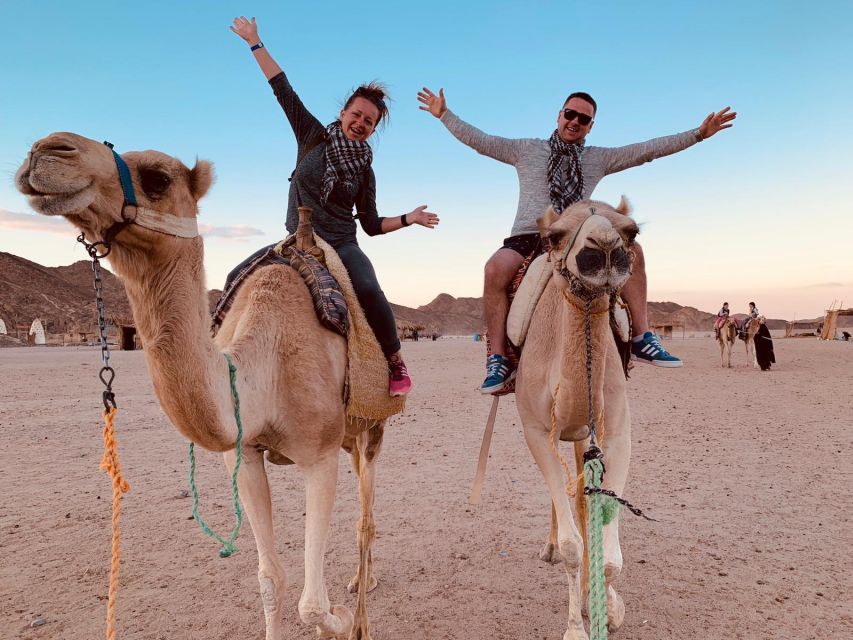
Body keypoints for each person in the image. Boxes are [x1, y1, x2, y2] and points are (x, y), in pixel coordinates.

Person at [418, 86, 736, 392]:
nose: (575, 121)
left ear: (590, 126)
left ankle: (642, 337)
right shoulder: (526, 149)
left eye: (583, 119)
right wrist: (445, 115)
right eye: (570, 114)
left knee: (633, 249)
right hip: (527, 237)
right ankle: (498, 359)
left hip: (574, 237)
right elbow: (481, 141)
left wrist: (698, 134)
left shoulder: (597, 159)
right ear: (559, 115)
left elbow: (646, 151)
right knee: (493, 269)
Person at [230, 16, 439, 396]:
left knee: (369, 289)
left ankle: (395, 362)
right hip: (296, 241)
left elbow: (371, 224)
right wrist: (254, 42)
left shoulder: (365, 171)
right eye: (356, 115)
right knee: (235, 277)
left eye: (369, 121)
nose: (360, 123)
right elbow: (282, 89)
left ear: (373, 129)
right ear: (343, 113)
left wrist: (409, 218)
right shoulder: (312, 136)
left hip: (341, 244)